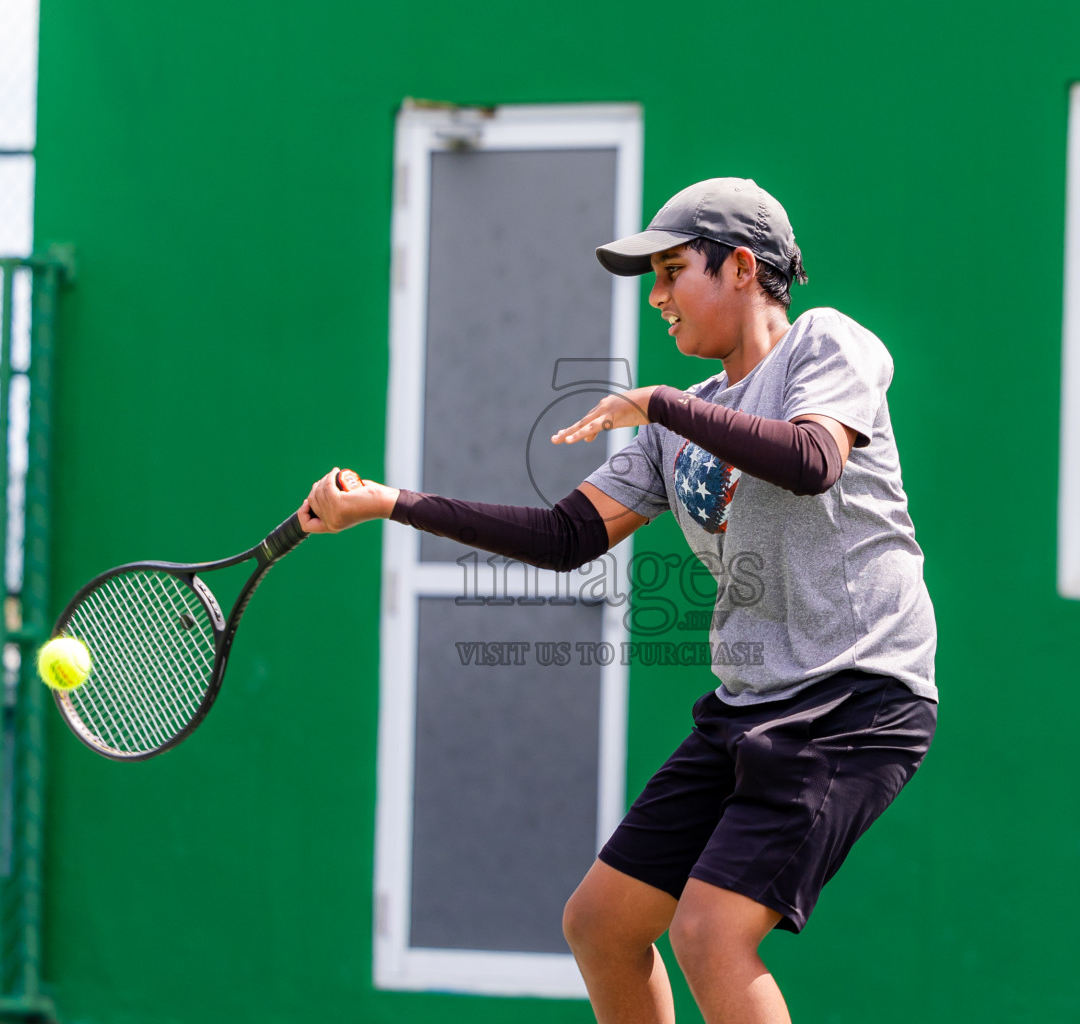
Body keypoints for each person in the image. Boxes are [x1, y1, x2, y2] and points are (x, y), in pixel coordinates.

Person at [299, 177, 937, 1024]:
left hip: (856, 698)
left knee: (710, 934)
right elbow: (566, 539)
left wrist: (658, 403)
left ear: (742, 267)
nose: (658, 299)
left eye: (673, 272)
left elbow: (813, 459)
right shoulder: (679, 424)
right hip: (751, 702)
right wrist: (392, 503)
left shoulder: (827, 344)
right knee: (601, 925)